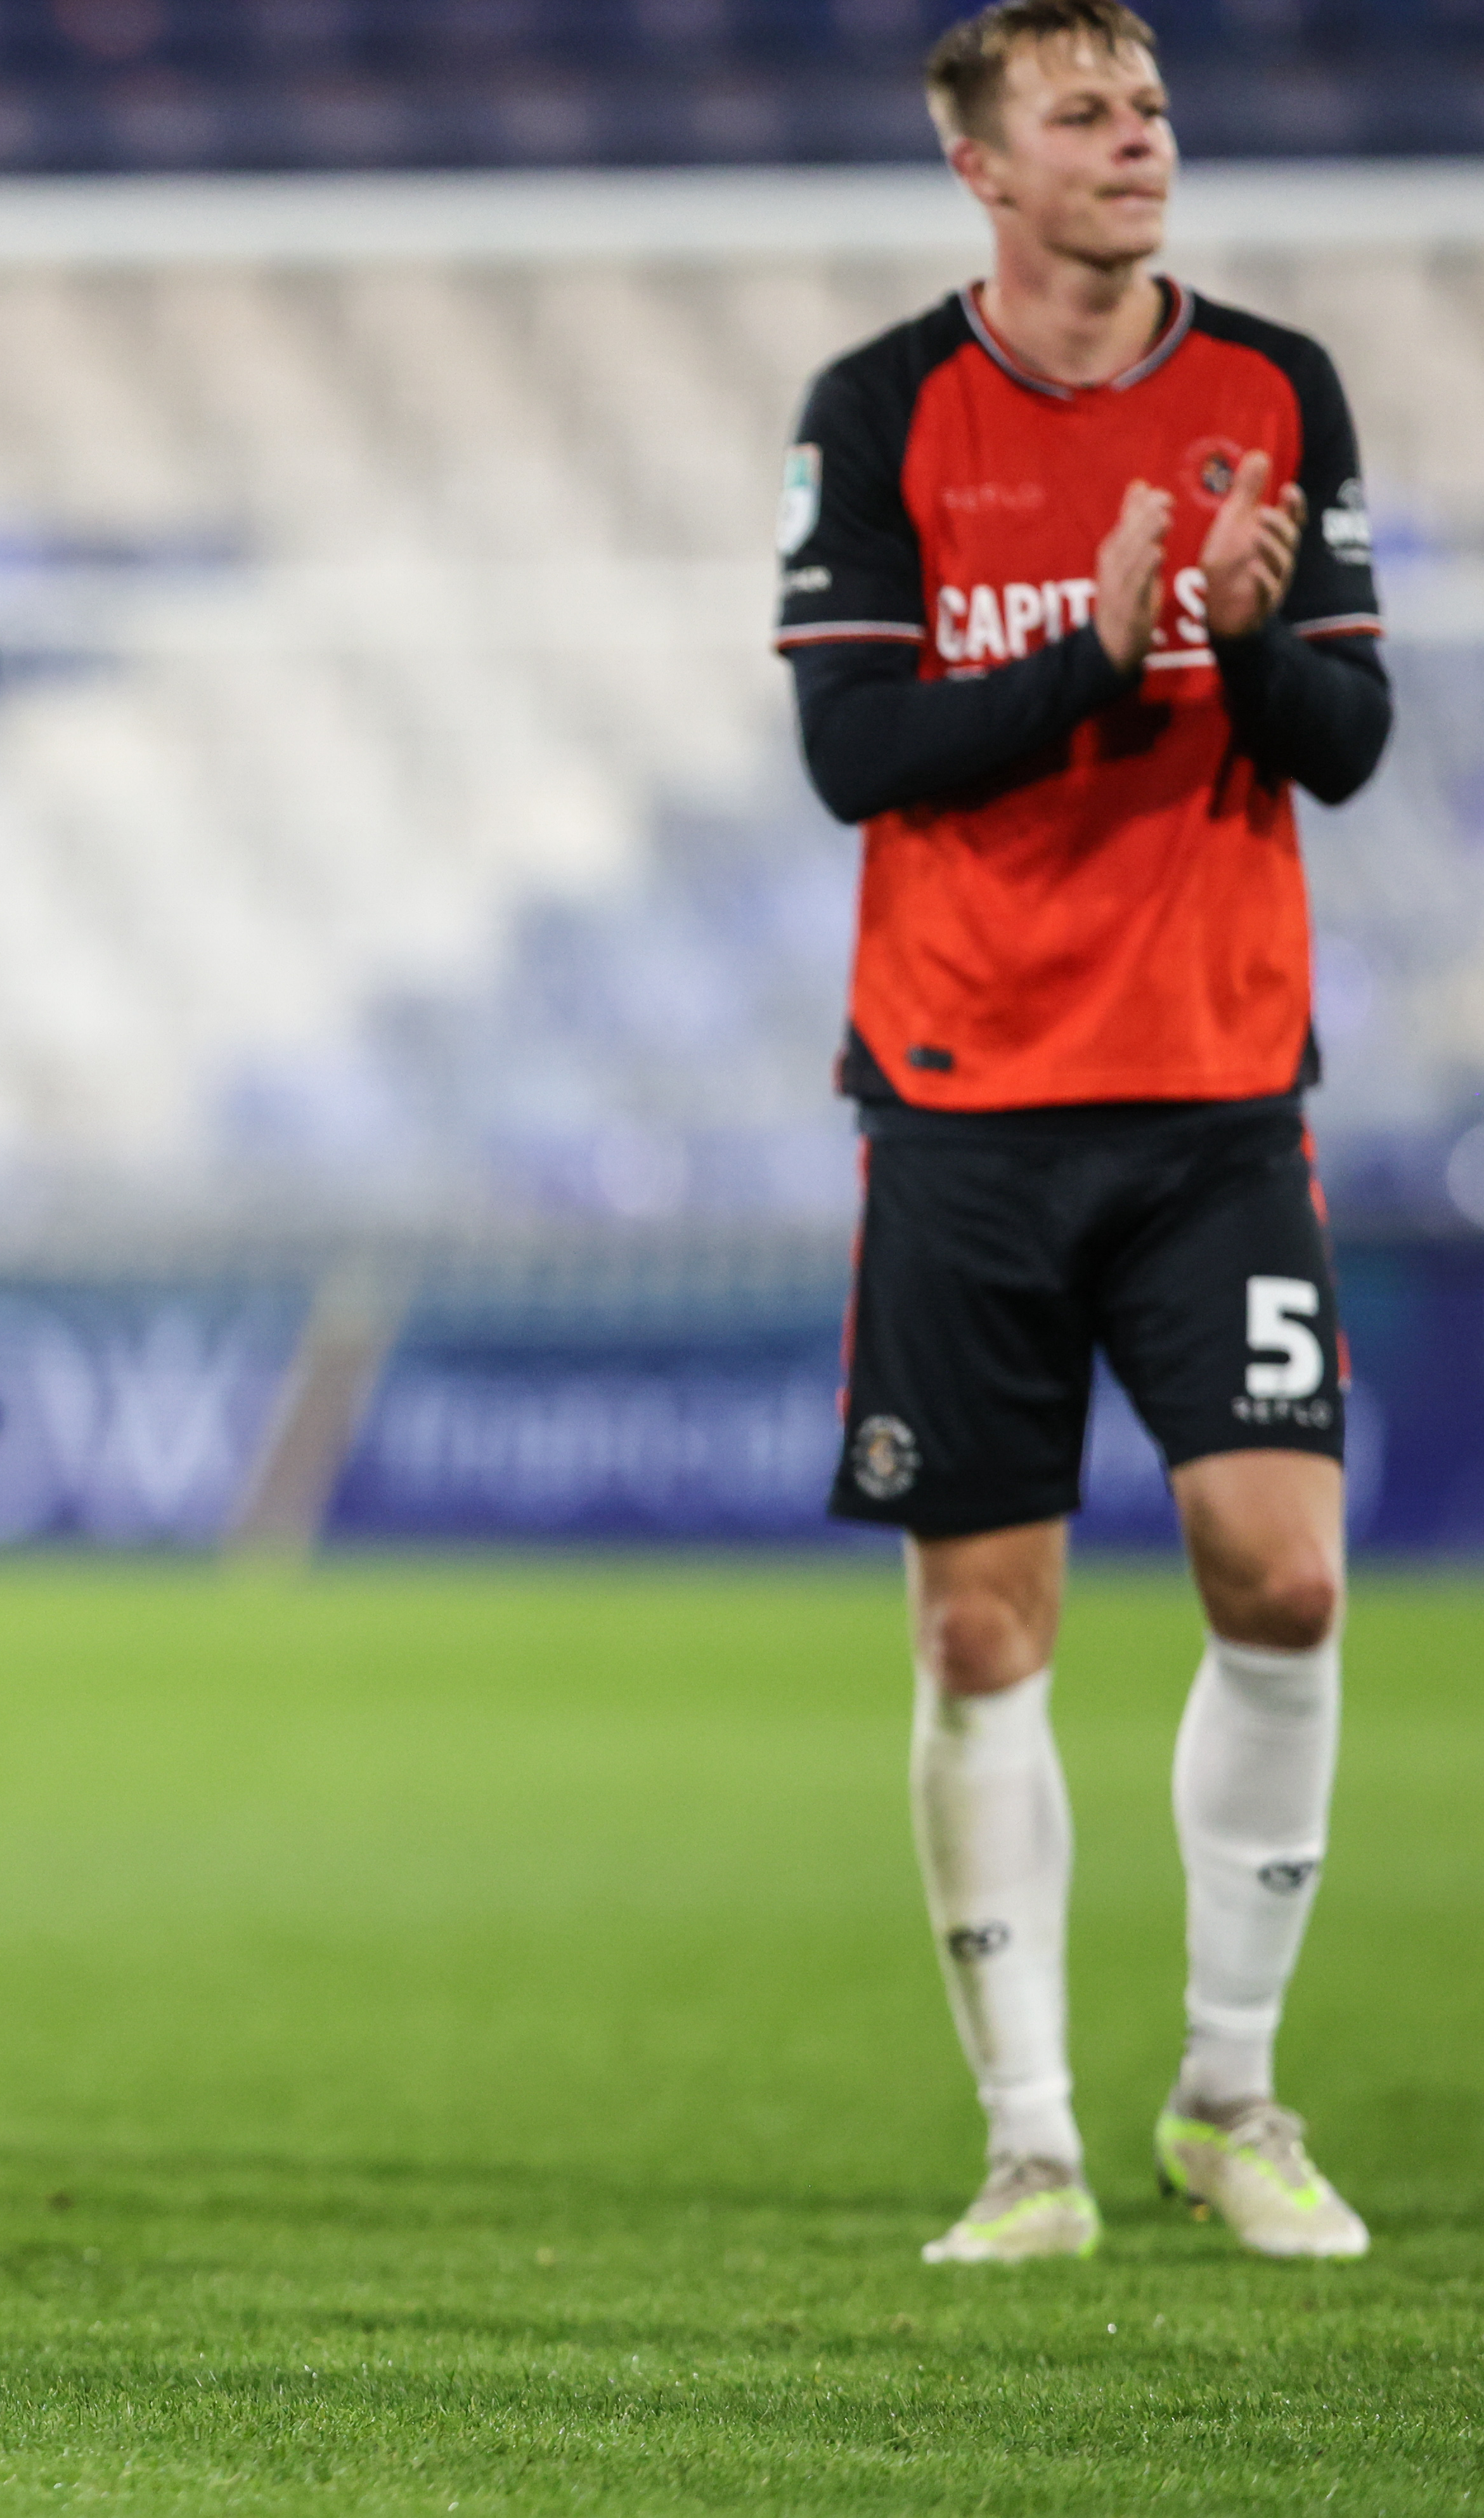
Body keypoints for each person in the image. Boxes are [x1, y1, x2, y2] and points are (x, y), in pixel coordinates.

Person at [775, 0, 1390, 2267]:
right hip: (960, 1102)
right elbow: (858, 761)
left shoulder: (1271, 389)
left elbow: (1344, 737)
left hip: (1218, 1094)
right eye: (1083, 114)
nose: (1136, 141)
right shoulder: (877, 412)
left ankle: (1229, 2093)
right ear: (980, 168)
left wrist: (1243, 644)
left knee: (1287, 1569)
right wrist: (1100, 653)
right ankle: (1029, 2140)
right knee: (977, 1639)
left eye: (1146, 105)